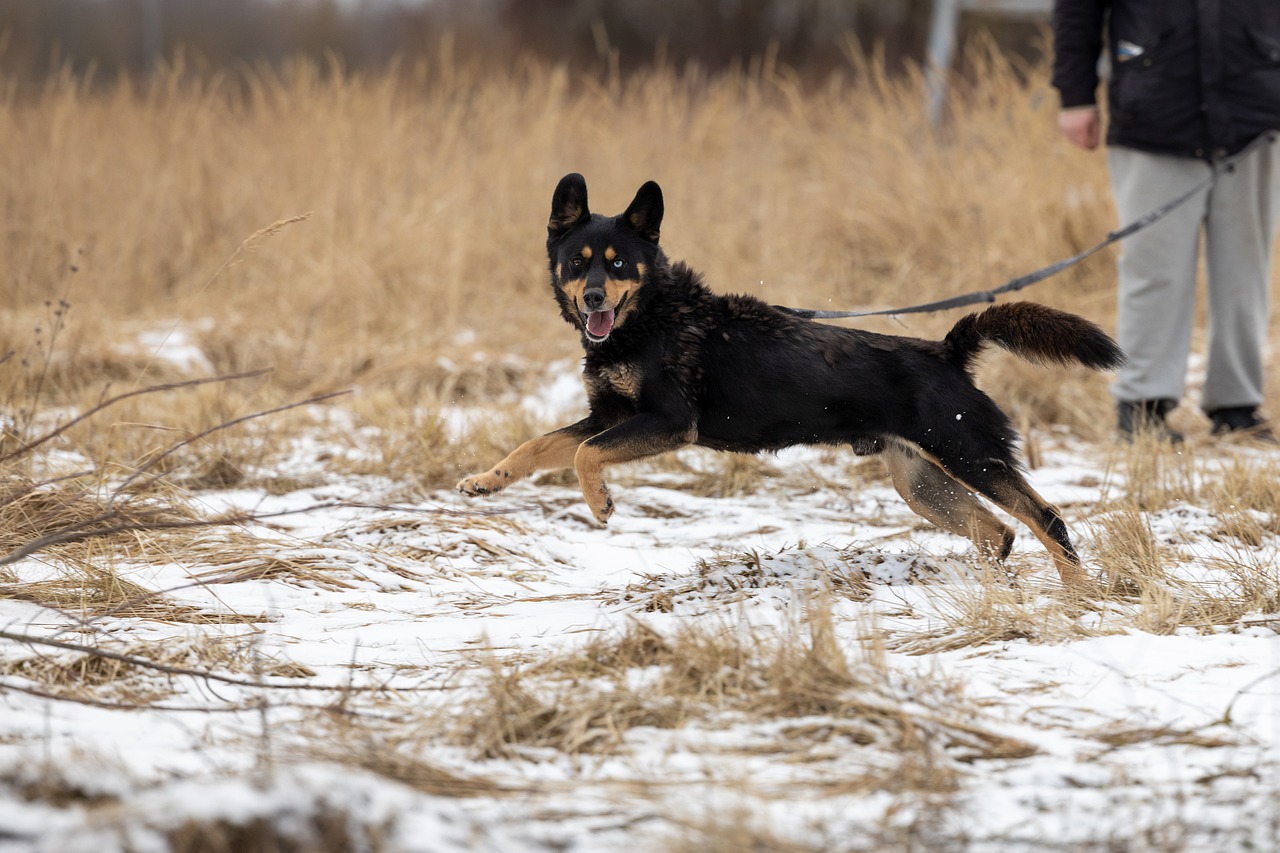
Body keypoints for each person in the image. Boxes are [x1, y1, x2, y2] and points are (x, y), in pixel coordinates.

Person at [1051, 0, 1280, 442]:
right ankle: (1143, 407)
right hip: (1154, 113)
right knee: (1154, 269)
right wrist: (1075, 94)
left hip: (1256, 112)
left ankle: (1237, 408)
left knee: (1246, 270)